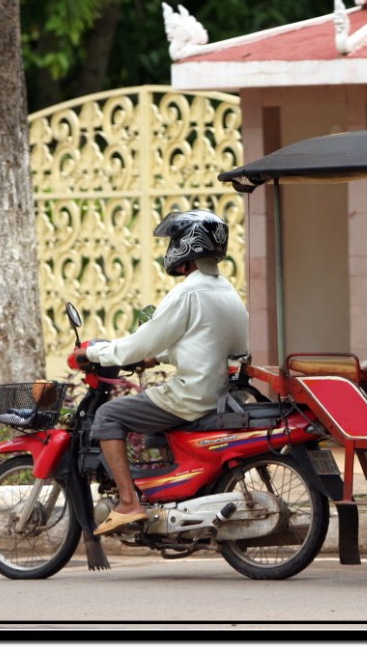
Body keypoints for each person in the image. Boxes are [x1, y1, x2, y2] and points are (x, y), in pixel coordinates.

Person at [72, 210, 249, 536]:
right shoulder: (225, 290)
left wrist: (94, 352)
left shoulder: (187, 293)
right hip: (222, 392)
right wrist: (161, 358)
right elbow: (205, 340)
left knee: (109, 416)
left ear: (187, 246)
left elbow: (138, 345)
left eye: (174, 241)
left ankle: (128, 502)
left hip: (191, 395)